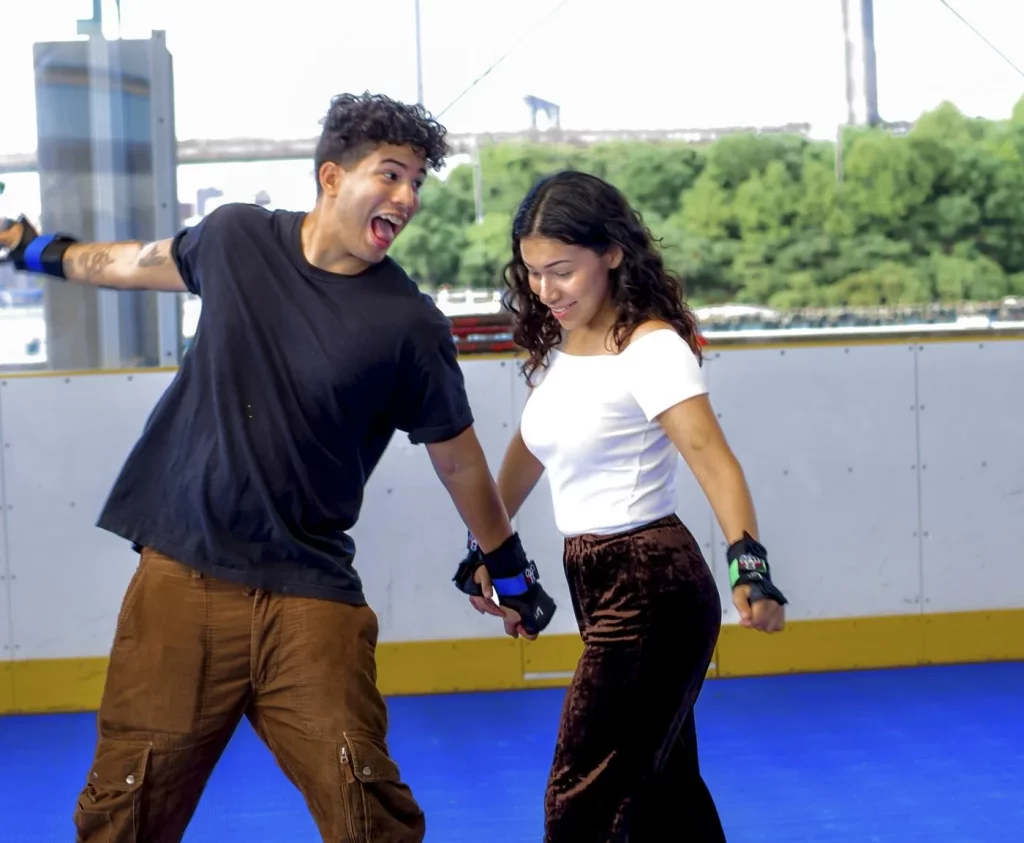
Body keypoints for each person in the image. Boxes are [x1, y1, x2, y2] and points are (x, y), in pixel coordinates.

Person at [0, 92, 556, 842]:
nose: (409, 197)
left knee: (370, 814)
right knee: (123, 815)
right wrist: (37, 251)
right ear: (331, 176)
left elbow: (458, 460)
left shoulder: (408, 324)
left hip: (310, 593)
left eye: (418, 182)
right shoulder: (235, 240)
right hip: (183, 580)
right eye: (392, 175)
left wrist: (508, 564)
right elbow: (133, 263)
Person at [457, 170, 789, 842]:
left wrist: (748, 568)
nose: (546, 291)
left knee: (578, 799)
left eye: (562, 270)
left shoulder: (651, 347)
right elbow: (526, 454)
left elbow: (715, 462)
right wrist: (488, 552)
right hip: (603, 581)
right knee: (664, 797)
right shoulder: (566, 347)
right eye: (533, 273)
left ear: (611, 252)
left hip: (649, 585)